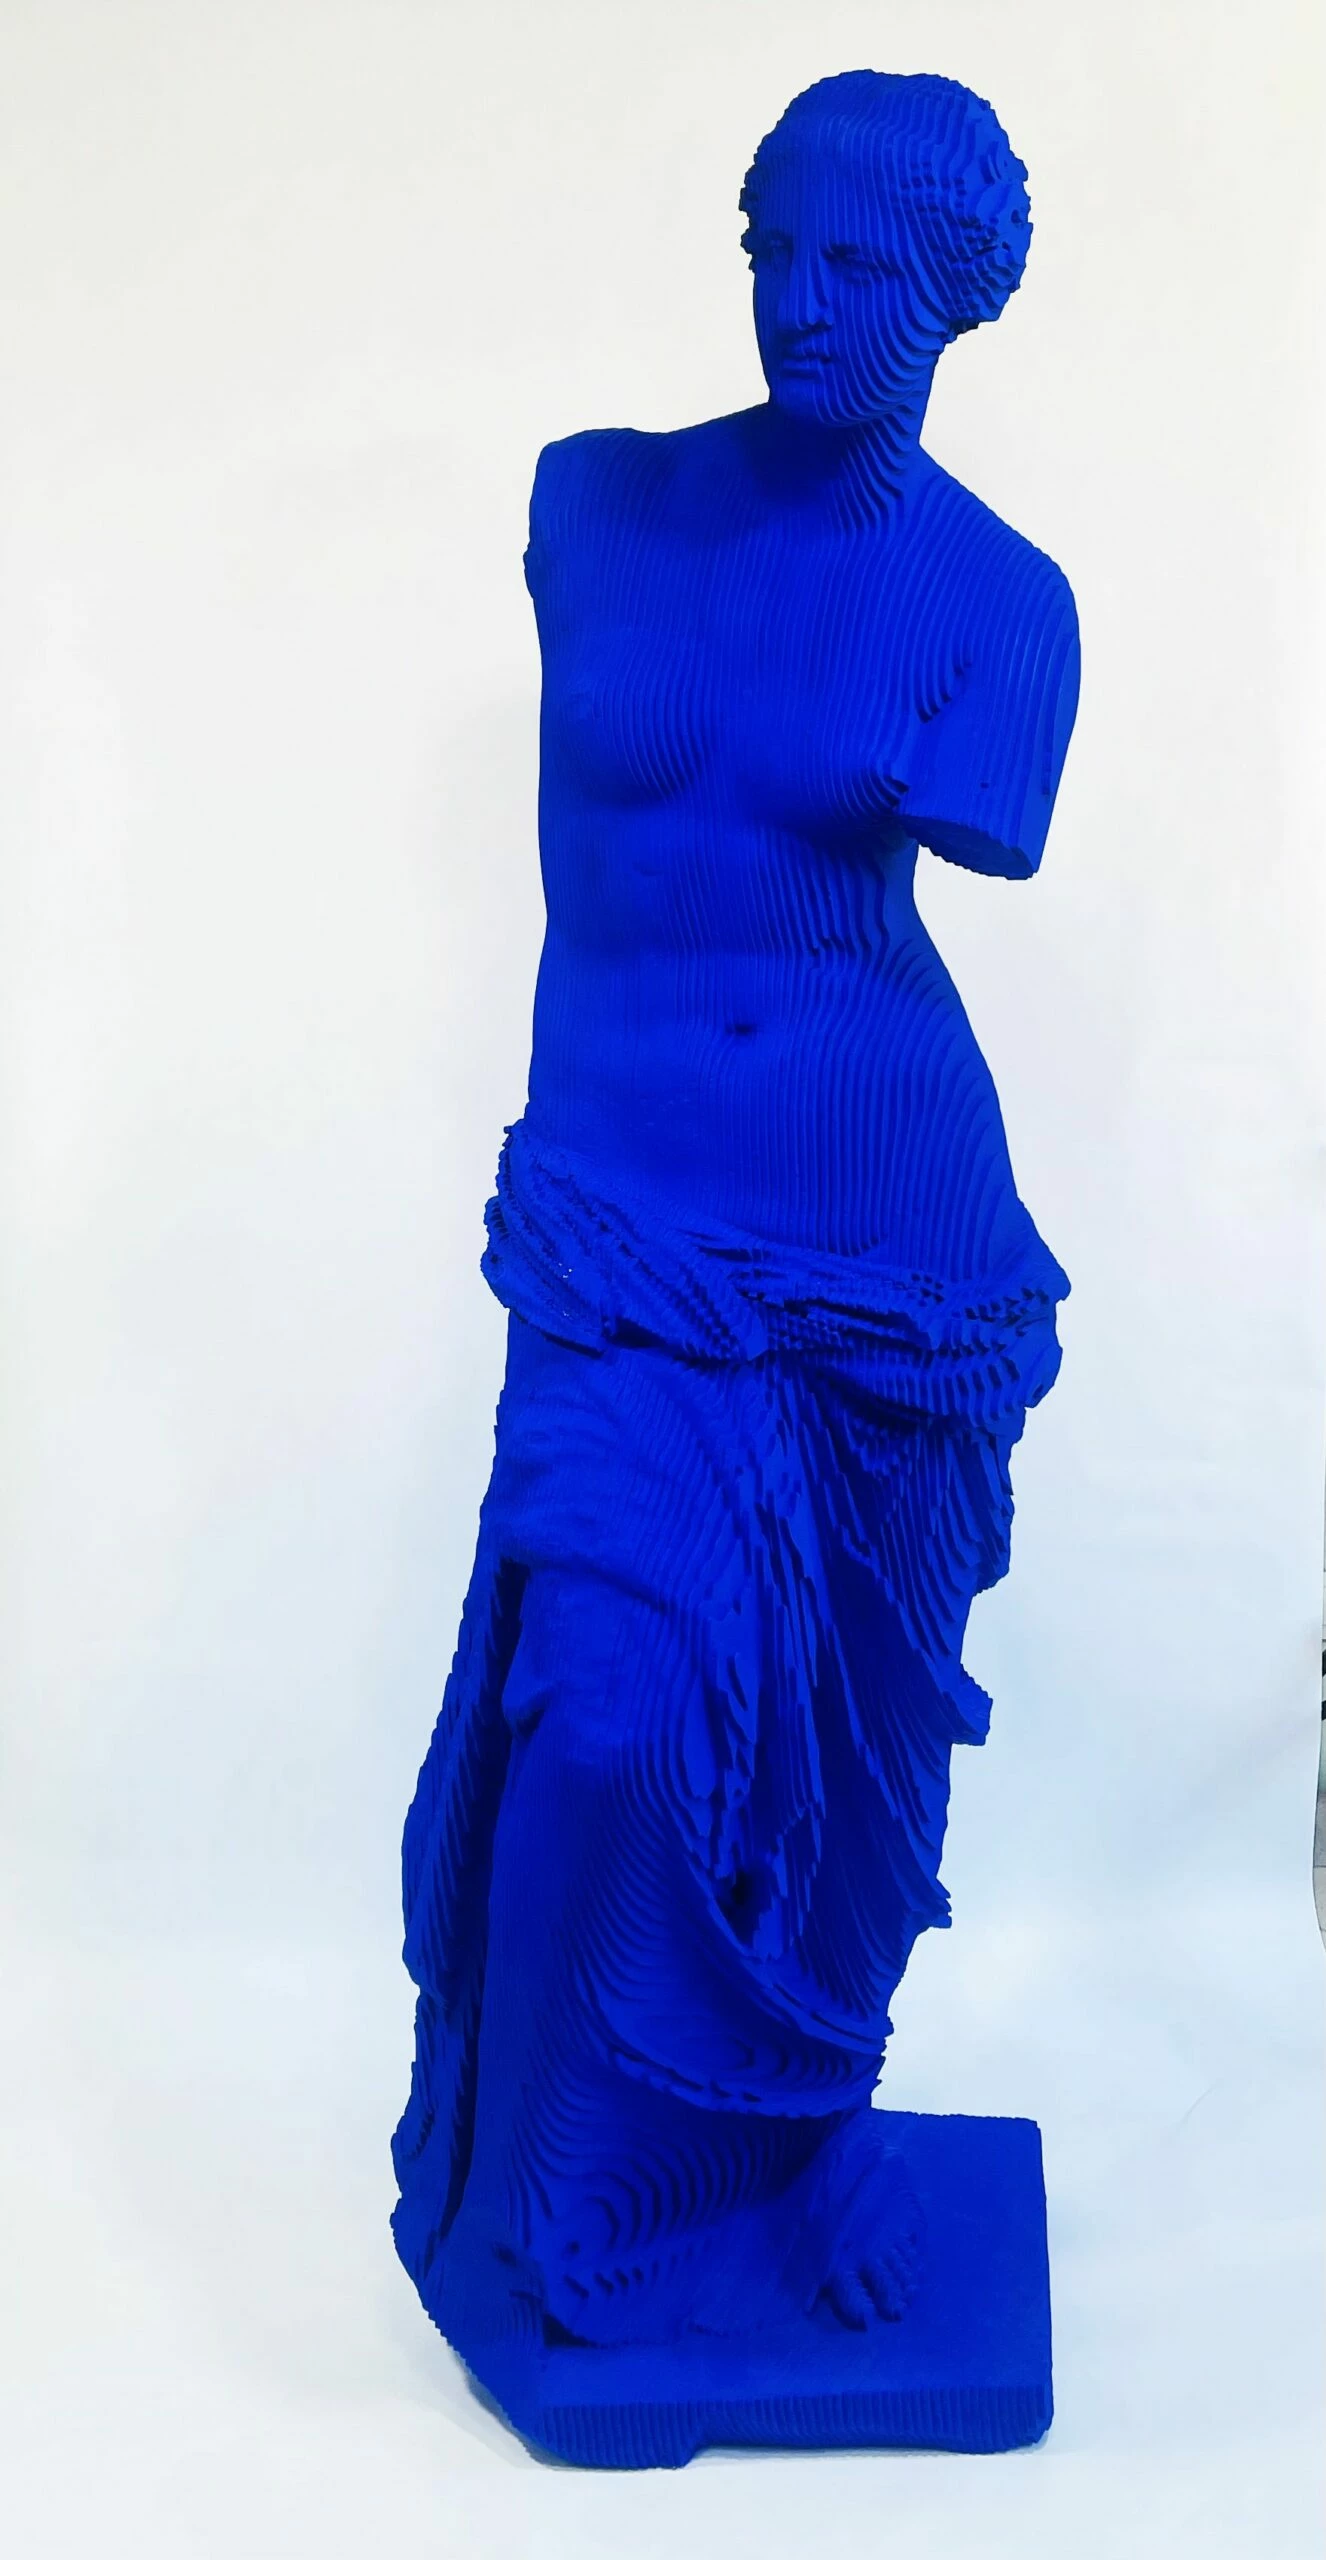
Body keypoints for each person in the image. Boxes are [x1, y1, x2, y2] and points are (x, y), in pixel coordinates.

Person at [393, 69, 1080, 2358]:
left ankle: (808, 2134)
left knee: (846, 1746)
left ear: (958, 295)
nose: (806, 299)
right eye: (778, 248)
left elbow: (983, 826)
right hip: (626, 1221)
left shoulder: (1003, 604)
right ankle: (549, 2178)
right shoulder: (597, 502)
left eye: (865, 264)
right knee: (600, 1710)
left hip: (885, 1248)